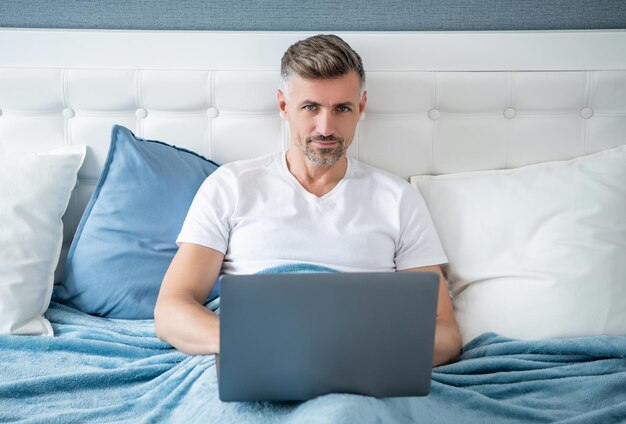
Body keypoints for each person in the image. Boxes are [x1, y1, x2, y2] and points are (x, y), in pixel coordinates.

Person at [154, 34, 462, 367]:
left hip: (361, 363)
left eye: (341, 108)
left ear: (361, 107)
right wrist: (260, 342)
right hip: (254, 352)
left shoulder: (399, 199)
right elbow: (171, 310)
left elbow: (444, 331)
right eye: (310, 107)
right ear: (284, 106)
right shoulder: (231, 186)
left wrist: (361, 351)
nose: (326, 128)